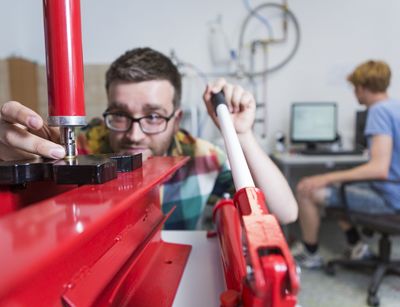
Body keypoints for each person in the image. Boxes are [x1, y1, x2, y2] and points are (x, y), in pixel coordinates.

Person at [0, 47, 297, 229]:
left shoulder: (202, 157)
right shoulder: (80, 149)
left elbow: (284, 212)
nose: (134, 134)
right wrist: (17, 161)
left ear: (177, 119)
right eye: (119, 114)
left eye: (153, 116)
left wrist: (241, 134)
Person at [292, 60, 400, 268]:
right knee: (336, 187)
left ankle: (310, 254)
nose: (354, 93)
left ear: (361, 87)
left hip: (390, 199)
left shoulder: (378, 111)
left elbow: (379, 168)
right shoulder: (395, 107)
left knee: (307, 188)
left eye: (354, 89)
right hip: (394, 190)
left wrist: (323, 177)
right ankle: (357, 246)